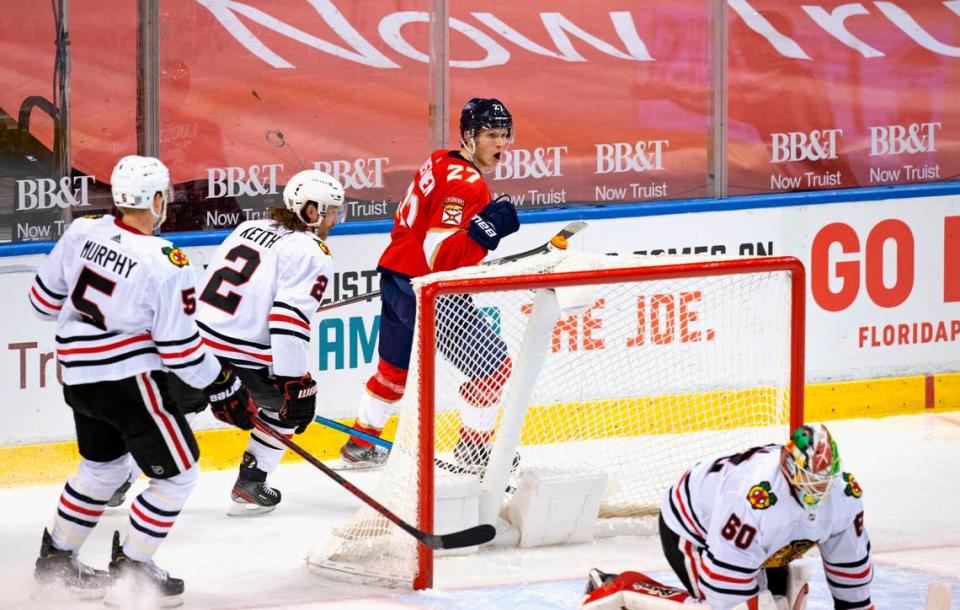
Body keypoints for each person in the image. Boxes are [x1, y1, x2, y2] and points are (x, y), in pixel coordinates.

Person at [28, 155, 257, 605]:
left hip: (78, 379)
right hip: (129, 382)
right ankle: (133, 569)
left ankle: (57, 559)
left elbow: (40, 302)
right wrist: (225, 385)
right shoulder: (166, 261)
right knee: (178, 477)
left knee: (104, 468)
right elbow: (180, 350)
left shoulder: (82, 230)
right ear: (156, 199)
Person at [337, 98, 520, 471]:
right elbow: (438, 254)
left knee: (393, 370)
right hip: (427, 289)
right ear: (469, 136)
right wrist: (486, 234)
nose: (499, 144)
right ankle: (474, 448)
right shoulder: (468, 185)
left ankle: (361, 441)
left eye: (503, 135)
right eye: (490, 135)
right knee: (493, 367)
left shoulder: (439, 159)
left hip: (395, 275)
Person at [579, 424, 874, 610]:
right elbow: (728, 595)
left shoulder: (845, 492)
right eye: (812, 480)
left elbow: (850, 573)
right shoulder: (753, 500)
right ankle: (618, 586)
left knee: (783, 602)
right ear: (791, 471)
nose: (821, 489)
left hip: (768, 543)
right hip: (693, 528)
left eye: (825, 479)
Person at [193, 169, 342, 515]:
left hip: (196, 343)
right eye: (332, 210)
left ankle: (115, 480)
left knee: (167, 412)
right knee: (291, 407)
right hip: (242, 355)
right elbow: (288, 320)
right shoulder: (313, 250)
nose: (336, 218)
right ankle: (252, 479)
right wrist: (293, 380)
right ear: (310, 210)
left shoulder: (249, 228)